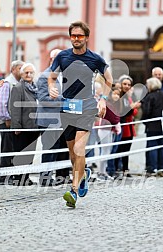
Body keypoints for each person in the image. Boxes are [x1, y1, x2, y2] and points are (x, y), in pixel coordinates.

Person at [48, 21, 113, 207]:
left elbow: (109, 80)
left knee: (79, 149)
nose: (76, 39)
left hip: (87, 107)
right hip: (68, 107)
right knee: (72, 154)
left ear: (86, 37)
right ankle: (83, 174)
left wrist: (102, 99)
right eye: (73, 36)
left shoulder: (95, 59)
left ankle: (73, 190)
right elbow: (51, 77)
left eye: (80, 36)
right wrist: (52, 88)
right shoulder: (62, 56)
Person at [36, 48, 71, 186]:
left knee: (61, 149)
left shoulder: (65, 76)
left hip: (63, 119)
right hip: (49, 120)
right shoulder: (45, 76)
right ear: (52, 59)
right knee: (49, 149)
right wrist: (64, 101)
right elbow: (43, 99)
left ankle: (60, 176)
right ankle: (45, 178)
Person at [10, 63, 40, 186]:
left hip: (34, 127)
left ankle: (26, 176)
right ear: (21, 74)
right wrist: (16, 126)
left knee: (29, 154)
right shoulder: (18, 88)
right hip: (22, 127)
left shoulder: (36, 88)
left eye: (31, 72)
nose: (29, 75)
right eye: (26, 72)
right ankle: (18, 178)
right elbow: (14, 109)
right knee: (21, 153)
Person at [0, 60, 24, 185]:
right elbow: (1, 103)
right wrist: (7, 118)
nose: (22, 70)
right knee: (7, 148)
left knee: (13, 148)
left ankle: (10, 176)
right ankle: (3, 177)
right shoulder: (7, 83)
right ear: (13, 69)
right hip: (6, 121)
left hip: (14, 121)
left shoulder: (18, 83)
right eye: (20, 68)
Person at [115, 75, 140, 177]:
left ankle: (125, 169)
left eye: (129, 84)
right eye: (125, 84)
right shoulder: (119, 96)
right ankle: (117, 169)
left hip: (129, 125)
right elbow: (123, 112)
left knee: (127, 149)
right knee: (119, 148)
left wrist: (133, 108)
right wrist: (132, 107)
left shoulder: (129, 96)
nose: (127, 86)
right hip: (122, 125)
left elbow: (134, 112)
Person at [141, 77, 163, 174]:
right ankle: (160, 166)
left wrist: (144, 121)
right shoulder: (162, 94)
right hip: (161, 124)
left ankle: (153, 167)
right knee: (161, 146)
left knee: (152, 146)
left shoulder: (150, 96)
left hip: (152, 125)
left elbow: (147, 111)